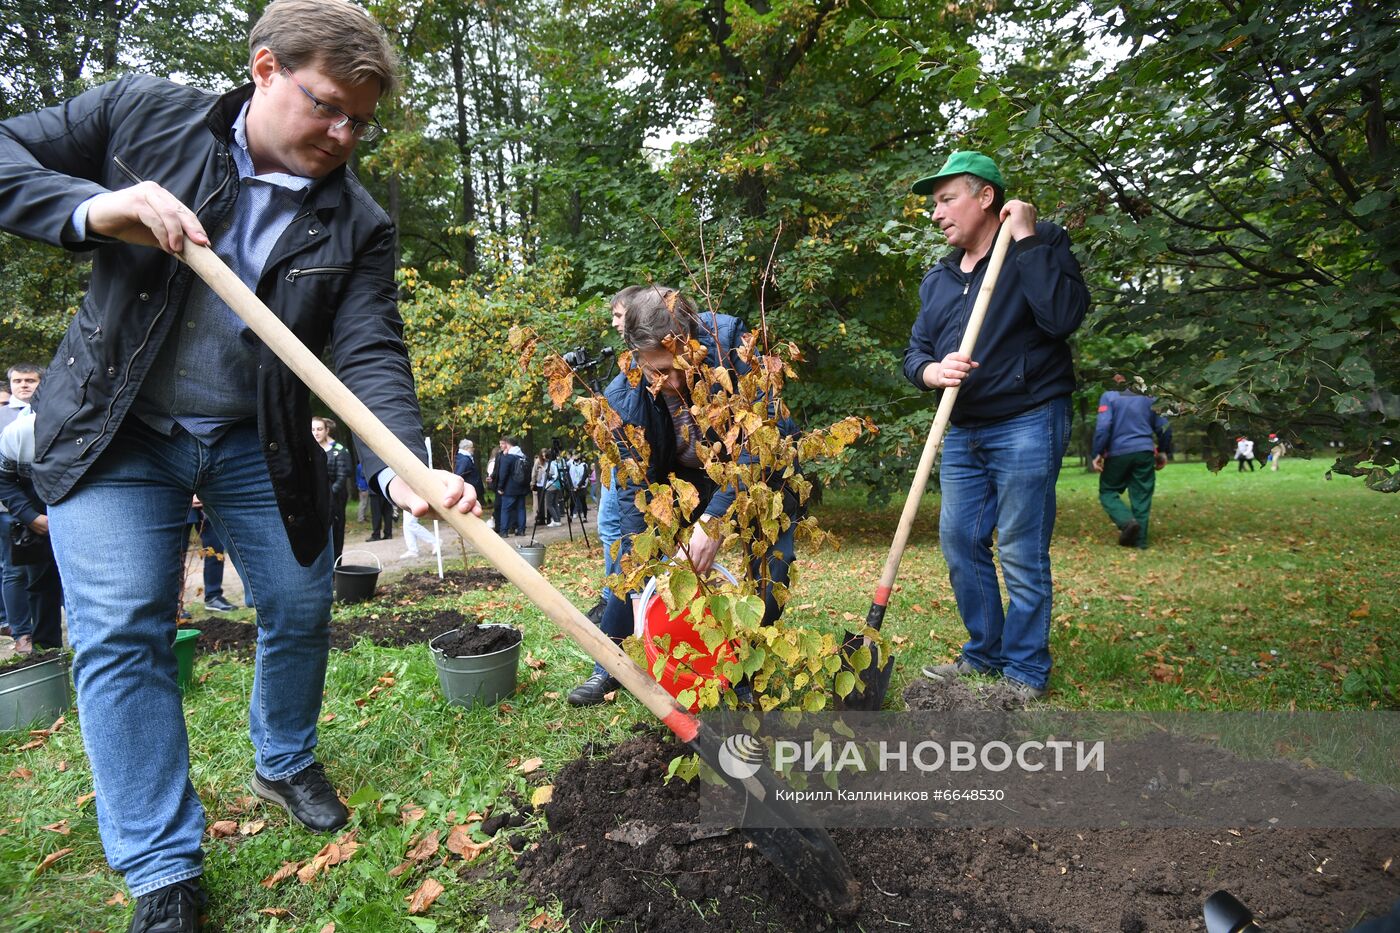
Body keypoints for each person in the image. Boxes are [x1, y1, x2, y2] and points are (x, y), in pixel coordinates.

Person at [0, 1, 481, 926]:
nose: (344, 136)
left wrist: (402, 469)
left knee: (302, 601)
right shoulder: (146, 118)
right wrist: (94, 208)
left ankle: (284, 757)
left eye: (361, 122)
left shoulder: (358, 222)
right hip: (115, 428)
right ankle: (162, 865)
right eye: (327, 107)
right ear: (264, 70)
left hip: (256, 439)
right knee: (123, 629)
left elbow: (370, 351)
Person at [903, 151, 1088, 703]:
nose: (935, 214)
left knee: (1021, 549)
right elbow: (914, 353)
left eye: (945, 199)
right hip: (962, 428)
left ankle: (1025, 669)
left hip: (1028, 418)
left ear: (985, 196)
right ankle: (984, 650)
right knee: (960, 540)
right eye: (933, 204)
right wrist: (932, 371)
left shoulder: (1042, 246)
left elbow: (1062, 318)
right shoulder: (937, 280)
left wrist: (1028, 241)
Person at [567, 284, 804, 706]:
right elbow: (634, 489)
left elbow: (761, 444)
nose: (670, 381)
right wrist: (647, 572)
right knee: (628, 560)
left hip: (756, 474)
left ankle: (741, 666)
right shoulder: (624, 395)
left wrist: (714, 521)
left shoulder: (732, 347)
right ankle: (611, 665)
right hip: (682, 480)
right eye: (655, 371)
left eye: (676, 366)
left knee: (773, 565)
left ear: (694, 338)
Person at [0, 406, 64, 654]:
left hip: (85, 514)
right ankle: (48, 651)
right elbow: (3, 481)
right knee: (40, 585)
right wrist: (30, 516)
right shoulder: (18, 432)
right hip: (37, 524)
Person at [1091, 380, 1172, 549]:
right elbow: (1165, 427)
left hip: (1117, 453)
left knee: (1107, 491)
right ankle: (1139, 542)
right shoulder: (1150, 398)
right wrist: (1163, 451)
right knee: (1141, 496)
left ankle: (1127, 522)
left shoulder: (1109, 397)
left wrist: (1097, 452)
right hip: (1144, 452)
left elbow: (1103, 426)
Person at [0, 364, 43, 649]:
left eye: (30, 380)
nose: (24, 385)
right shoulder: (2, 416)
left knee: (44, 573)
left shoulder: (54, 413)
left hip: (46, 505)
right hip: (7, 507)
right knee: (14, 569)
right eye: (18, 380)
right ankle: (21, 633)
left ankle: (45, 633)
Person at [184, 496, 235, 612]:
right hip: (179, 501)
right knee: (177, 554)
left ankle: (214, 596)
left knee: (215, 548)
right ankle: (176, 604)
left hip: (205, 501)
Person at [312, 416, 351, 558]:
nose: (316, 433)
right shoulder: (306, 453)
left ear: (327, 431)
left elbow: (342, 477)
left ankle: (336, 572)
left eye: (319, 429)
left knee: (336, 536)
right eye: (313, 429)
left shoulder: (338, 452)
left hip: (334, 501)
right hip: (313, 503)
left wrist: (327, 495)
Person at [494, 437, 530, 536]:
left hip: (509, 489)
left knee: (505, 509)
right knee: (521, 509)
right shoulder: (524, 457)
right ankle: (521, 530)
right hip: (522, 488)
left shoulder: (508, 457)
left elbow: (503, 474)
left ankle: (504, 531)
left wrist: (500, 487)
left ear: (508, 444)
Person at [453, 438, 484, 506]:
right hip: (469, 489)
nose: (473, 449)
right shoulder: (464, 460)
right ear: (467, 448)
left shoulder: (464, 458)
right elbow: (459, 475)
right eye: (472, 447)